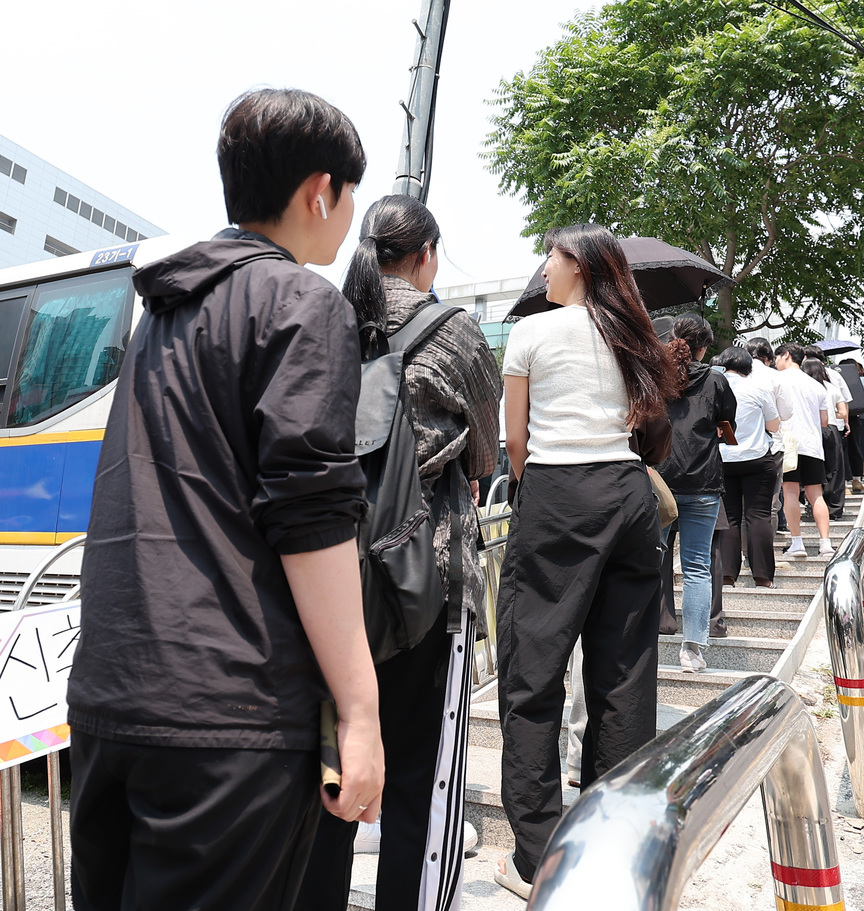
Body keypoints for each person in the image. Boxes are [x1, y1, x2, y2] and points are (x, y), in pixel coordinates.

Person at [66, 89, 382, 910]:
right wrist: (360, 709)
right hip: (227, 713)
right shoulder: (303, 304)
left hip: (111, 698)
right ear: (322, 191)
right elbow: (310, 514)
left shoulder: (163, 313)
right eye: (348, 198)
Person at [295, 196, 501, 911]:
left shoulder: (326, 322)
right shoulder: (456, 333)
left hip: (327, 581)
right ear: (426, 255)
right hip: (429, 582)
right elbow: (484, 453)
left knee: (330, 771)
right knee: (423, 781)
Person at [495, 223, 679, 899]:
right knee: (625, 676)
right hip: (628, 498)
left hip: (557, 494)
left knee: (533, 674)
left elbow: (515, 440)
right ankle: (613, 841)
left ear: (580, 264)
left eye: (552, 254)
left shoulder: (531, 334)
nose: (543, 267)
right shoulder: (631, 331)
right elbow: (641, 421)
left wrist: (535, 491)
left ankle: (541, 857)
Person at [657, 314, 737, 671]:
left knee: (650, 560)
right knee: (696, 567)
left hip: (660, 482)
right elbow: (728, 417)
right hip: (703, 482)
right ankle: (691, 651)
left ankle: (641, 638)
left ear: (673, 337)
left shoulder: (655, 373)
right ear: (704, 348)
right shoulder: (716, 380)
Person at [716, 346, 781, 587]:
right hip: (757, 458)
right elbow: (774, 426)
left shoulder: (715, 387)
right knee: (758, 516)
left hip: (724, 460)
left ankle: (727, 576)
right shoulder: (758, 388)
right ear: (748, 367)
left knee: (730, 517)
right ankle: (763, 577)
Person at [775, 343, 831, 557]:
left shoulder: (777, 380)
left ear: (787, 355)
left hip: (788, 443)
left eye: (778, 357)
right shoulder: (817, 385)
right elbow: (824, 421)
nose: (776, 361)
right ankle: (825, 543)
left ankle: (797, 543)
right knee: (815, 494)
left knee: (790, 491)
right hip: (812, 445)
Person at [747, 338, 794, 532]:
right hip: (771, 446)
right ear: (767, 357)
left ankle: (744, 555)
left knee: (742, 506)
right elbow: (786, 412)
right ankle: (765, 555)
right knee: (771, 503)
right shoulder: (775, 377)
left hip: (738, 445)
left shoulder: (735, 374)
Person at [804, 356, 849, 520]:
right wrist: (831, 414)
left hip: (810, 430)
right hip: (831, 429)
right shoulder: (831, 387)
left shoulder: (806, 388)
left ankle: (813, 504)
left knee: (813, 469)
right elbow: (843, 413)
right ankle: (834, 508)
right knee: (836, 470)